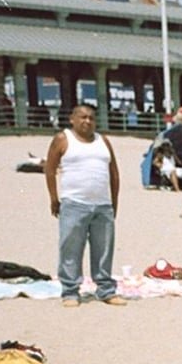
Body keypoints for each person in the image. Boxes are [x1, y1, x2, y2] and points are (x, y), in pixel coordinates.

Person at [45, 104, 122, 307]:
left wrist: (114, 202)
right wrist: (54, 198)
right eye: (83, 117)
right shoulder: (63, 139)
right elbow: (50, 169)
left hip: (102, 205)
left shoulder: (103, 141)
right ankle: (70, 291)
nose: (87, 121)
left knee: (104, 250)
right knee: (70, 248)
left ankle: (105, 290)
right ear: (72, 119)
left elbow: (114, 174)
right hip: (73, 204)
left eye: (91, 118)